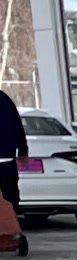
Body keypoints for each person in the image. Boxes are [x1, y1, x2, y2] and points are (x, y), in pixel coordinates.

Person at [0, 86, 24, 217]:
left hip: (6, 157)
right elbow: (17, 126)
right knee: (10, 197)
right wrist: (22, 151)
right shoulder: (4, 99)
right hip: (6, 158)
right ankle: (11, 226)